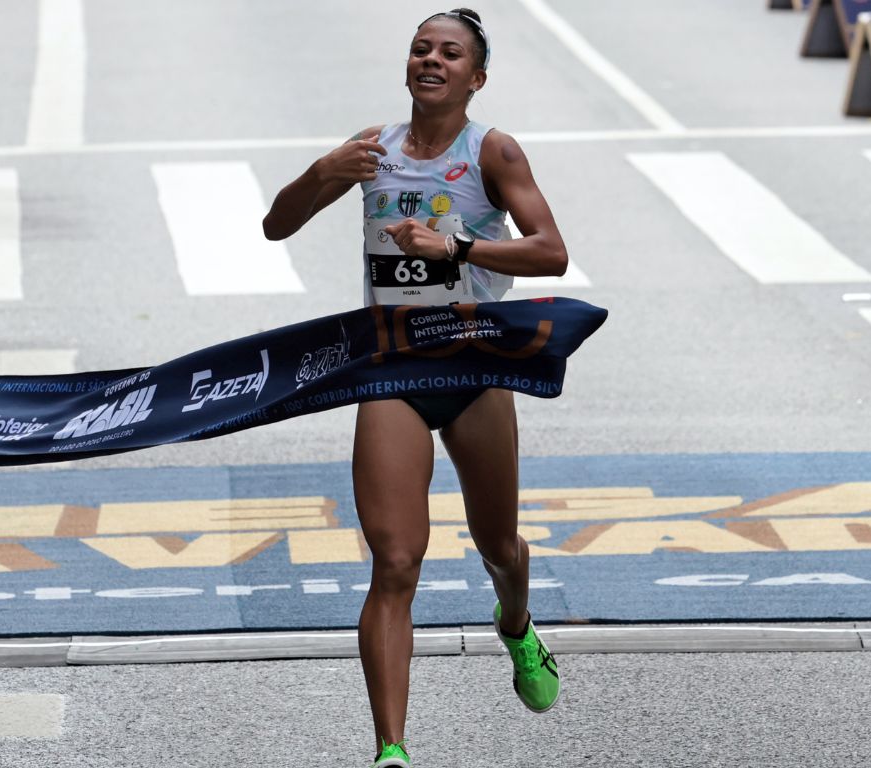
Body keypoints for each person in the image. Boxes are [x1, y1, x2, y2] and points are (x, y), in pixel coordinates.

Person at [262, 9, 568, 767]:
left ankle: (517, 624)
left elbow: (552, 253)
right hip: (392, 370)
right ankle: (390, 751)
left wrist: (457, 244)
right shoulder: (374, 150)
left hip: (471, 367)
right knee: (396, 561)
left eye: (450, 53)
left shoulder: (490, 150)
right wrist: (322, 175)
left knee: (500, 546)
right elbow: (276, 226)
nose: (431, 59)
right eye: (421, 48)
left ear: (476, 77)